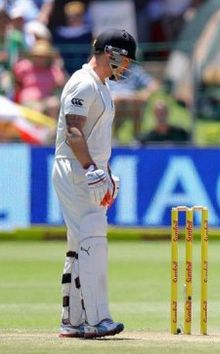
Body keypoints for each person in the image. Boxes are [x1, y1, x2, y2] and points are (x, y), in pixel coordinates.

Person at [51, 28, 137, 339]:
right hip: (75, 169)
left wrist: (106, 172)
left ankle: (72, 320)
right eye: (124, 60)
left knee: (79, 244)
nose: (126, 67)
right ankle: (97, 319)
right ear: (111, 53)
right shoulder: (83, 82)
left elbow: (97, 138)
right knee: (92, 240)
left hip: (87, 169)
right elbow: (74, 131)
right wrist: (90, 169)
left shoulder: (100, 86)